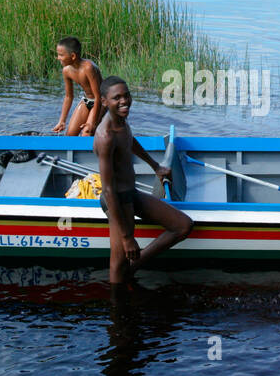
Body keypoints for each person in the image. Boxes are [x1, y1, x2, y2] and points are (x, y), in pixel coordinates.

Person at [95, 76, 193, 283]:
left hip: (131, 194)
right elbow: (108, 190)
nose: (124, 101)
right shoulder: (106, 136)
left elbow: (129, 141)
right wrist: (127, 237)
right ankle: (118, 309)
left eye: (126, 95)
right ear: (104, 101)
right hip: (118, 202)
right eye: (117, 98)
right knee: (117, 265)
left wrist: (155, 166)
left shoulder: (121, 120)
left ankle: (134, 266)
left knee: (183, 225)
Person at [52, 37, 103, 137]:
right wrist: (62, 121)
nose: (58, 58)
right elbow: (68, 96)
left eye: (61, 55)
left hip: (101, 101)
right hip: (87, 100)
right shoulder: (66, 71)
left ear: (73, 56)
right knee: (70, 135)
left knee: (87, 131)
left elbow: (98, 97)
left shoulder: (88, 67)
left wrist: (91, 123)